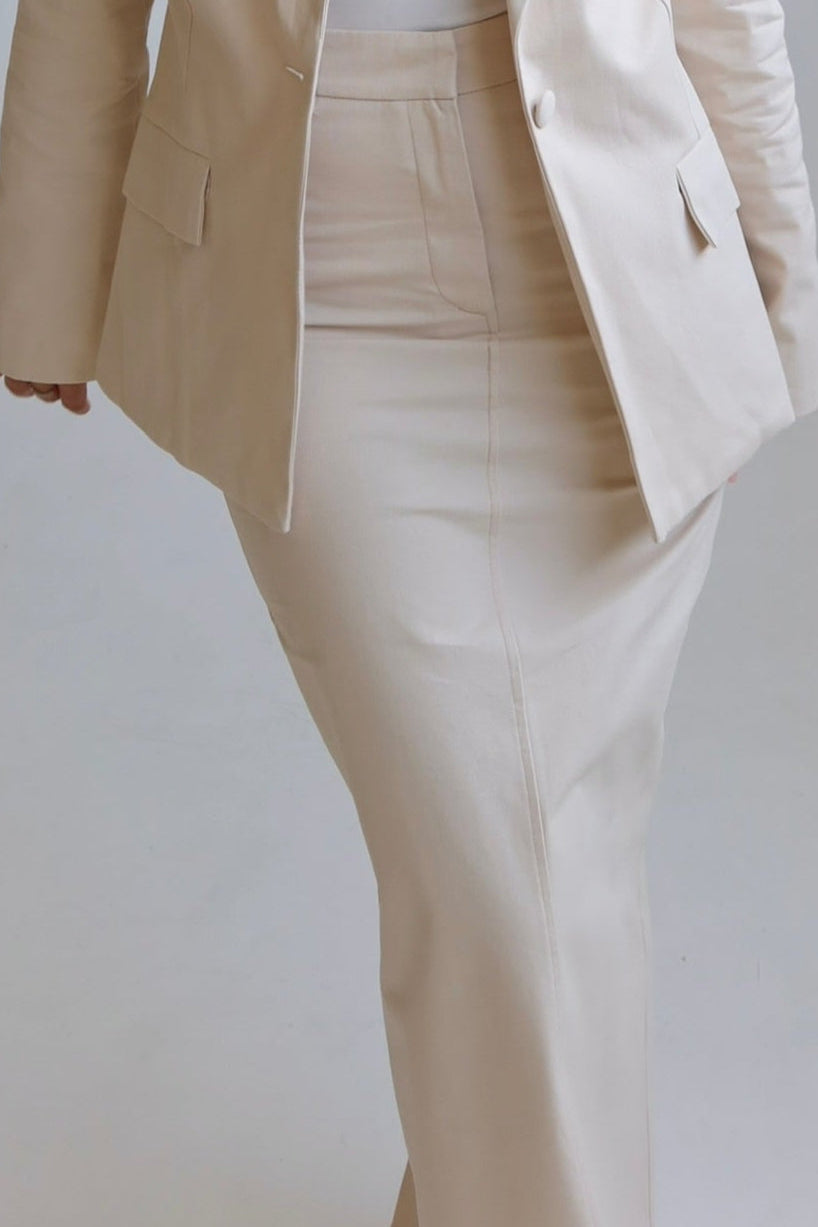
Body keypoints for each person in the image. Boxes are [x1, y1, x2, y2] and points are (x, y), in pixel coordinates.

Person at [0, 2, 816, 1225]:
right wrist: (46, 277)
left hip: (617, 262)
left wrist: (774, 312)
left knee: (551, 883)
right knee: (498, 886)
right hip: (315, 274)